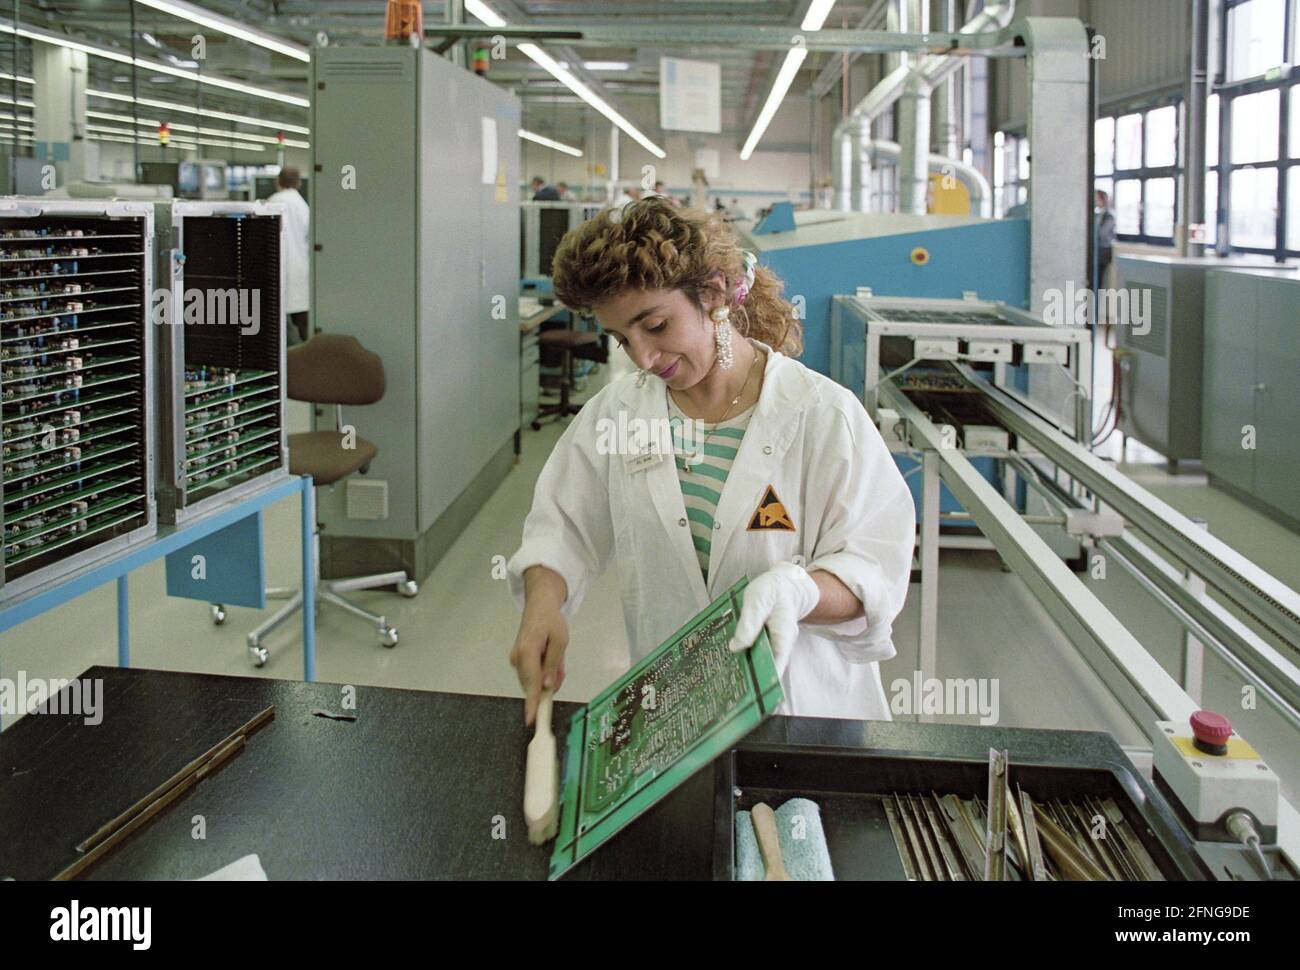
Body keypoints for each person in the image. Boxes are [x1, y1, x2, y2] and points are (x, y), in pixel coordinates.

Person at [507, 198, 915, 726]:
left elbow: (874, 573)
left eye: (655, 325)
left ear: (715, 293)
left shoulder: (822, 415)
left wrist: (802, 590)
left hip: (801, 712)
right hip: (671, 714)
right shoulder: (618, 413)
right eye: (620, 339)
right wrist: (543, 605)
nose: (643, 358)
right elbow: (561, 528)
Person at [267, 167, 310, 344]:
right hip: (301, 267)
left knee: (277, 320)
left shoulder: (271, 203)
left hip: (276, 266)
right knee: (302, 319)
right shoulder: (304, 206)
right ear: (299, 182)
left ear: (278, 181)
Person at [1095, 189, 1116, 288]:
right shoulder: (1098, 214)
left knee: (1098, 281)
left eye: (1097, 198)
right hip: (1097, 251)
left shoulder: (1109, 216)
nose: (1095, 201)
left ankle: (1096, 302)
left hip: (1103, 252)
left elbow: (1102, 233)